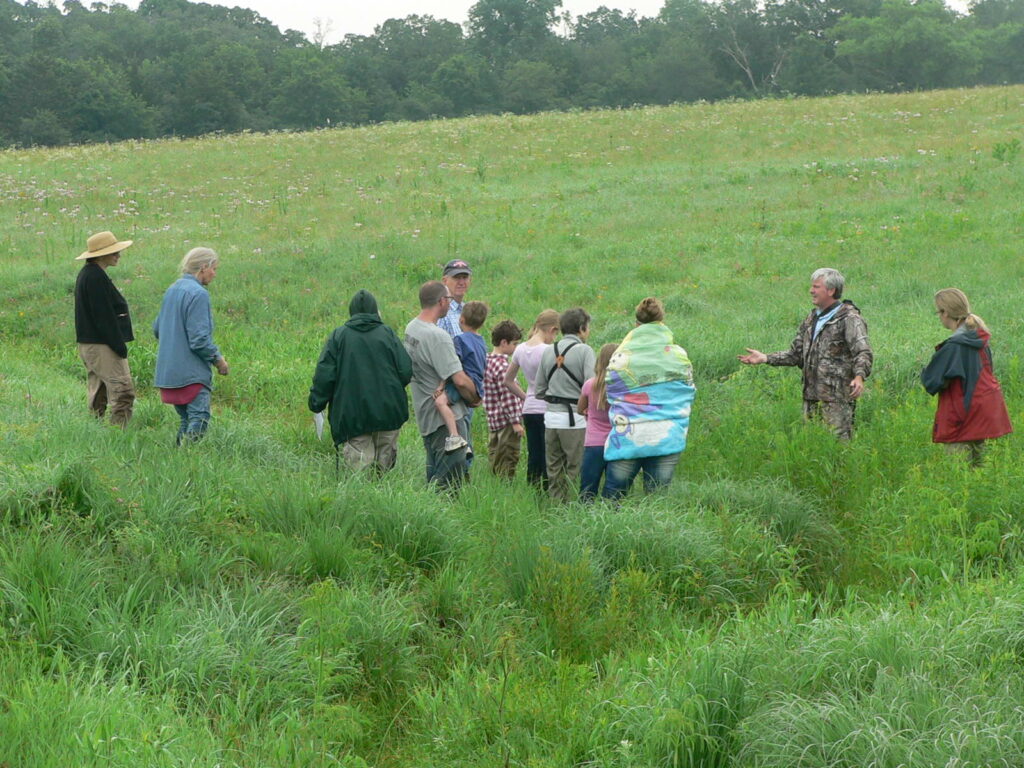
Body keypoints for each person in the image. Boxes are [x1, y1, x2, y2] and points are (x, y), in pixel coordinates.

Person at [738, 267, 873, 440]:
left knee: (839, 446)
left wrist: (859, 376)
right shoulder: (811, 319)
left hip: (836, 398)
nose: (811, 291)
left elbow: (863, 351)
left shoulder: (850, 319)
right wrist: (765, 358)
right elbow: (796, 354)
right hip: (811, 396)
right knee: (813, 444)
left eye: (816, 287)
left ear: (831, 290)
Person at [308, 290, 413, 473]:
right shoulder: (387, 333)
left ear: (352, 311)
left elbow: (325, 375)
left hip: (352, 415)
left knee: (361, 471)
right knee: (384, 470)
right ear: (375, 310)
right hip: (388, 412)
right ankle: (386, 499)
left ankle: (365, 500)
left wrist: (316, 403)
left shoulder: (339, 337)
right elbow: (405, 371)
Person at [603, 298, 695, 500]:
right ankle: (653, 532)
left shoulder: (620, 356)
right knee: (657, 500)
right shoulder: (678, 354)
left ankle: (607, 532)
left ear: (636, 325)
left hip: (627, 435)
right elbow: (687, 390)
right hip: (666, 434)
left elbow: (611, 391)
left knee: (612, 499)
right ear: (662, 322)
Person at [921, 288, 1011, 465]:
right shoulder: (980, 338)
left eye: (939, 312)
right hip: (985, 414)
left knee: (959, 476)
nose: (939, 316)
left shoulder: (953, 346)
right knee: (981, 473)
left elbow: (931, 381)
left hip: (962, 416)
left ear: (946, 313)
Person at [405, 281, 480, 490]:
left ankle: (429, 517)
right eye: (448, 299)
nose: (450, 303)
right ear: (441, 301)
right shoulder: (438, 337)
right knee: (448, 486)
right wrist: (475, 397)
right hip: (445, 424)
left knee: (434, 475)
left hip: (426, 414)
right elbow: (459, 379)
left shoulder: (412, 328)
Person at [152, 247, 229, 444]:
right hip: (191, 374)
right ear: (204, 267)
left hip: (168, 373)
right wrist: (218, 360)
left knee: (186, 420)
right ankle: (190, 458)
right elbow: (199, 340)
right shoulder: (198, 294)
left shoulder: (172, 290)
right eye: (214, 268)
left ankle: (179, 458)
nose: (215, 274)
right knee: (199, 419)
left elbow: (157, 329)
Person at [74, 230, 136, 426]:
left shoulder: (90, 274)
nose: (118, 255)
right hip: (102, 345)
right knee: (123, 391)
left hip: (92, 344)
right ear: (100, 255)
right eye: (114, 252)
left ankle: (95, 430)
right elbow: (103, 317)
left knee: (99, 392)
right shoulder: (94, 278)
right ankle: (119, 434)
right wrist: (119, 346)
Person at [534, 308, 596, 503]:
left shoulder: (548, 351)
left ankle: (556, 507)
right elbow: (591, 387)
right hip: (575, 420)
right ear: (581, 328)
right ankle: (571, 509)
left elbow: (539, 390)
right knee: (574, 468)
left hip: (551, 418)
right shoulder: (585, 351)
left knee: (554, 469)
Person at [504, 309, 559, 489]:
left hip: (529, 408)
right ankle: (547, 488)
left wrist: (527, 395)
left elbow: (508, 380)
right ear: (552, 329)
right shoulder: (548, 350)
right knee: (548, 452)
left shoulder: (520, 348)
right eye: (556, 333)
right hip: (546, 408)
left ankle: (534, 489)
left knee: (534, 452)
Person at [436, 300, 488, 456]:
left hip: (464, 380)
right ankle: (466, 444)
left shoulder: (459, 339)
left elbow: (453, 365)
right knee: (463, 415)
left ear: (461, 319)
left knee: (440, 402)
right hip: (477, 384)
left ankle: (455, 436)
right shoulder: (482, 341)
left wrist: (441, 385)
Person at [483, 320, 525, 479]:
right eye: (514, 344)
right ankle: (505, 485)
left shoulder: (487, 360)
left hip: (494, 419)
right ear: (504, 342)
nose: (516, 348)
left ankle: (496, 483)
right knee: (508, 457)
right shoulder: (502, 366)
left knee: (495, 455)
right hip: (507, 422)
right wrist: (515, 422)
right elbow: (508, 395)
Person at [577, 343, 618, 502]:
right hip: (617, 441)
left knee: (588, 487)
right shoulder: (622, 387)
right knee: (614, 489)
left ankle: (584, 517)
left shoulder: (589, 385)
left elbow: (580, 409)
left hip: (593, 443)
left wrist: (589, 413)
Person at [437, 259, 472, 338]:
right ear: (444, 281)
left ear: (470, 280)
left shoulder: (468, 309)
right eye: (456, 278)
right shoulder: (441, 312)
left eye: (465, 277)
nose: (461, 282)